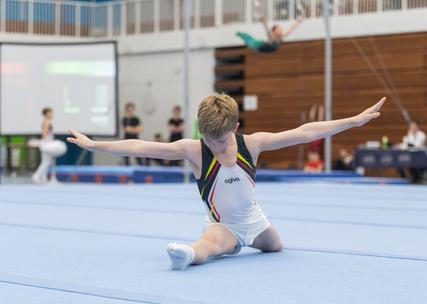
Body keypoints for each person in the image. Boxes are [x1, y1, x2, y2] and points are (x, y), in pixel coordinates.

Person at [67, 93, 386, 271]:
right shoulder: (193, 151)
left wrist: (354, 121)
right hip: (224, 225)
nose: (215, 147)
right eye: (208, 139)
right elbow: (141, 146)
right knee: (210, 245)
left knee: (276, 246)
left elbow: (305, 132)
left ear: (234, 127)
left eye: (220, 141)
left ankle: (235, 243)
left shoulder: (254, 143)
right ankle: (187, 253)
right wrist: (97, 145)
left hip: (255, 221)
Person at [236, 12, 304, 53]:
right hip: (259, 46)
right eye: (278, 29)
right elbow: (266, 29)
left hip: (269, 49)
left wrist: (298, 21)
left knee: (250, 39)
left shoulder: (282, 36)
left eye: (280, 29)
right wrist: (263, 21)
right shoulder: (272, 36)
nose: (280, 30)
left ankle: (241, 33)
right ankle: (240, 33)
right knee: (249, 40)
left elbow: (291, 29)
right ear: (274, 32)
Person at [32, 107, 56, 184]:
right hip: (47, 143)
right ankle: (36, 176)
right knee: (46, 161)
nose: (52, 114)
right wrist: (47, 142)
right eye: (50, 112)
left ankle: (44, 179)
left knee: (49, 161)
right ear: (46, 114)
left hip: (47, 142)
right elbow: (44, 134)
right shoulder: (47, 121)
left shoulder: (46, 121)